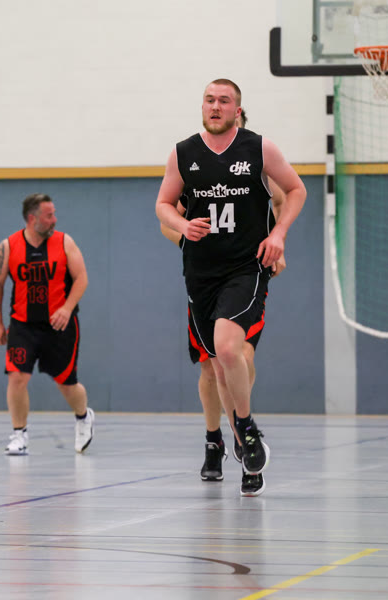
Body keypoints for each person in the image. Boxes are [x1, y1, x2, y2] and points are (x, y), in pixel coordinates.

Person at [155, 79, 306, 495]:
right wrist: (184, 227)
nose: (215, 106)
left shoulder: (260, 150)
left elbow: (293, 191)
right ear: (202, 106)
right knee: (217, 365)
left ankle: (244, 427)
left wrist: (278, 237)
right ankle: (226, 438)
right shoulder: (183, 154)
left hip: (247, 267)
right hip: (202, 272)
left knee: (230, 350)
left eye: (224, 101)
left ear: (238, 110)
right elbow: (163, 207)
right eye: (209, 99)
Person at [0, 194, 94, 455]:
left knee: (67, 384)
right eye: (49, 215)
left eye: (54, 214)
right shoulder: (9, 246)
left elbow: (81, 278)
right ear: (32, 218)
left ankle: (83, 416)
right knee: (17, 376)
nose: (54, 219)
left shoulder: (65, 242)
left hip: (59, 325)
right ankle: (19, 434)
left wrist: (67, 308)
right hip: (23, 325)